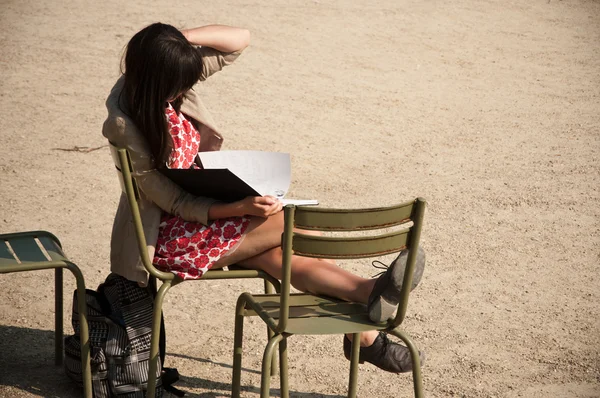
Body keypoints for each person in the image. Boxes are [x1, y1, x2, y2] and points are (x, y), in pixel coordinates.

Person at [102, 22, 426, 374]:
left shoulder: (166, 75)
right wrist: (239, 206)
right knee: (293, 223)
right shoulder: (126, 120)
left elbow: (239, 41)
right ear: (158, 79)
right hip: (169, 235)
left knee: (277, 255)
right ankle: (366, 326)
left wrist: (179, 41)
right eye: (179, 84)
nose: (186, 89)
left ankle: (365, 309)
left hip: (205, 218)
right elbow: (175, 202)